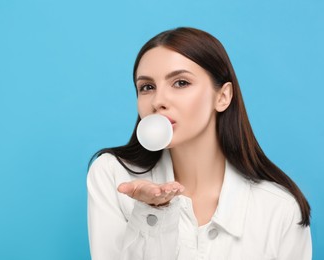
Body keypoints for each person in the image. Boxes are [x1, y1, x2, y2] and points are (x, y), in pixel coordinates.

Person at [87, 27, 312, 260]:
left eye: (181, 82)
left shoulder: (279, 208)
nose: (158, 101)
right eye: (147, 87)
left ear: (222, 96)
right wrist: (152, 214)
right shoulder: (113, 176)